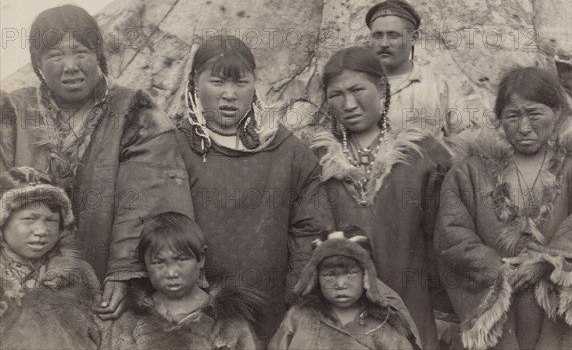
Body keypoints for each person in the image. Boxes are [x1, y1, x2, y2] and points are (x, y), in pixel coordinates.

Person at [0, 4, 194, 320]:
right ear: (37, 64)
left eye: (81, 52)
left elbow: (148, 194)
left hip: (107, 282)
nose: (70, 66)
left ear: (98, 55)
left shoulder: (135, 112)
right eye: (54, 56)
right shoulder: (12, 111)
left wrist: (124, 271)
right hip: (18, 286)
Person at [176, 35, 333, 342]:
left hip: (273, 307)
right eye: (218, 82)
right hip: (194, 309)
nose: (229, 95)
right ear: (195, 81)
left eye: (241, 83)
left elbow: (312, 228)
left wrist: (297, 295)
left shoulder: (284, 148)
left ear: (254, 84)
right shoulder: (174, 146)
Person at [435, 66, 572, 349]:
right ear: (498, 118)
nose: (524, 127)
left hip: (557, 313)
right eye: (512, 116)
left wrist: (550, 263)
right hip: (501, 311)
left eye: (535, 114)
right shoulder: (470, 172)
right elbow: (452, 234)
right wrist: (495, 268)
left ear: (558, 113)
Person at [310, 46, 450, 349]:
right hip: (341, 313)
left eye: (358, 89)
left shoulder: (423, 155)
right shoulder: (316, 161)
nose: (348, 104)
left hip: (412, 307)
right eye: (336, 95)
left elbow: (440, 240)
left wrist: (442, 311)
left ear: (382, 87)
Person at [108, 212, 264, 350]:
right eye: (158, 262)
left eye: (181, 260)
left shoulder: (227, 323)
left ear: (201, 258)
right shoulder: (131, 321)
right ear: (145, 264)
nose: (171, 273)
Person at [269, 226, 421, 350]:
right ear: (316, 278)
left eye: (350, 273)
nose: (341, 284)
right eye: (330, 275)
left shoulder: (382, 323)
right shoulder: (299, 318)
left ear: (366, 276)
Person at [0, 166, 103, 349]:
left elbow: (101, 331)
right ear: (3, 222)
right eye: (29, 219)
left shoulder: (79, 272)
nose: (41, 231)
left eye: (51, 220)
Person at [365, 0, 475, 138]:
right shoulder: (357, 84)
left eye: (393, 35)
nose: (384, 43)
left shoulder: (438, 86)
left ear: (414, 38)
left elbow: (464, 140)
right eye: (377, 35)